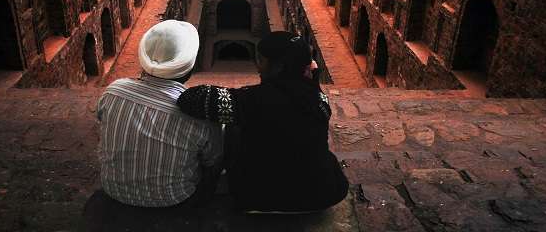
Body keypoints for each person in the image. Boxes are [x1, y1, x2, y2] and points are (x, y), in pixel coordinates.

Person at [177, 31, 348, 213]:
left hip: (257, 198)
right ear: (307, 68)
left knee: (232, 125)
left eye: (262, 60)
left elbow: (189, 99)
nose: (258, 67)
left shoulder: (249, 101)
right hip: (323, 195)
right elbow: (299, 96)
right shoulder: (319, 99)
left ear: (277, 66)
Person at [83, 20, 223, 230]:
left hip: (114, 191)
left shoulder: (113, 91)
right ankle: (203, 208)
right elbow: (212, 160)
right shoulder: (199, 113)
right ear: (189, 66)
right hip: (174, 198)